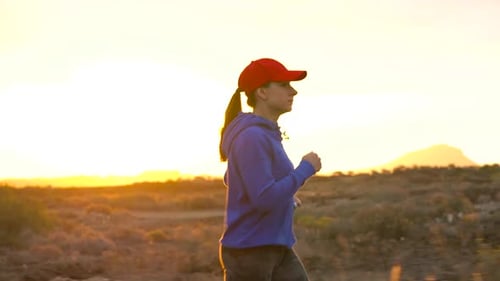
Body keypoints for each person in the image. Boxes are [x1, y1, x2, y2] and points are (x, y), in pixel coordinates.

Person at [218, 58, 322, 281]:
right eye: (284, 85)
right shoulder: (252, 136)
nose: (293, 91)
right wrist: (305, 169)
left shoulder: (264, 134)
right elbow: (263, 197)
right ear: (262, 93)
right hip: (251, 252)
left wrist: (287, 198)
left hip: (274, 246)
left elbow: (234, 178)